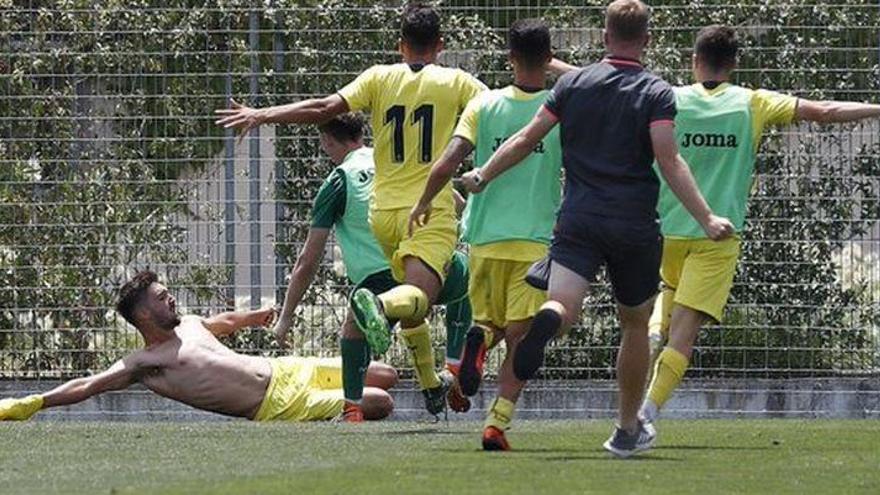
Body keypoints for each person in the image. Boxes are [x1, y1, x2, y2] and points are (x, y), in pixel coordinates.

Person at [459, 0, 734, 458]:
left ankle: (550, 319)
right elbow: (669, 160)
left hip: (579, 218)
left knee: (561, 305)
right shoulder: (656, 91)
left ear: (605, 36)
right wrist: (706, 217)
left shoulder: (573, 84)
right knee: (634, 324)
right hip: (633, 224)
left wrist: (484, 174)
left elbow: (527, 138)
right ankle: (627, 429)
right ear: (646, 40)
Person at [215, 2, 487, 416]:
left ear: (401, 45)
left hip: (384, 214)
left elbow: (324, 109)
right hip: (428, 209)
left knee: (409, 294)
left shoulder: (379, 77)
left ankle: (431, 382)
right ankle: (379, 309)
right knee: (421, 297)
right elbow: (498, 111)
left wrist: (263, 114)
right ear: (441, 46)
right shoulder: (458, 82)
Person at [641, 24, 880, 431]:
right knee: (685, 334)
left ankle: (651, 330)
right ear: (733, 64)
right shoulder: (752, 102)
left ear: (694, 60)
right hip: (717, 235)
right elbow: (824, 111)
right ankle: (645, 414)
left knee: (668, 291)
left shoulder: (669, 99)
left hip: (664, 228)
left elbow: (605, 88)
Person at [410, 19, 568, 450]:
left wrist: (423, 202)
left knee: (488, 321)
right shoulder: (561, 108)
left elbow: (449, 159)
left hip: (482, 235)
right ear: (548, 56)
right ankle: (497, 422)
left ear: (509, 57)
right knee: (523, 336)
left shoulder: (484, 104)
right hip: (534, 239)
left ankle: (478, 340)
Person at [272, 113, 473, 420]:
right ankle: (449, 371)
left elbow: (307, 261)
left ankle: (352, 410)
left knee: (354, 329)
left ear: (327, 141)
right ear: (361, 133)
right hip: (430, 265)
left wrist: (285, 318)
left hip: (380, 280)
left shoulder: (339, 182)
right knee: (462, 278)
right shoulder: (398, 159)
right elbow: (456, 201)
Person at [0, 271, 397, 422]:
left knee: (385, 373)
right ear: (142, 316)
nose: (170, 298)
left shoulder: (188, 323)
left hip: (289, 369)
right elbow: (88, 385)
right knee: (380, 400)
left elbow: (218, 324)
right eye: (161, 297)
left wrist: (254, 316)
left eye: (168, 292)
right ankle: (343, 419)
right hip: (278, 404)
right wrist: (31, 403)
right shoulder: (146, 362)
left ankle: (347, 412)